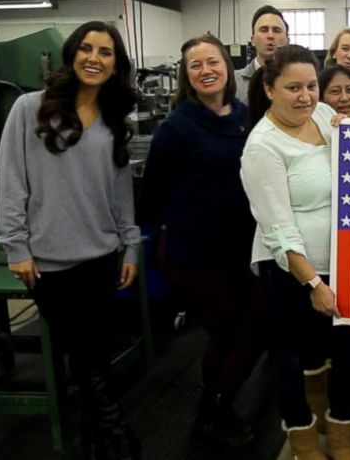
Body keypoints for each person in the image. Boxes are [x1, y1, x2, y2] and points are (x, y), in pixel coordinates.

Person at [0, 21, 142, 459]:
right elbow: (11, 180)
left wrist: (130, 243)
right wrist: (15, 246)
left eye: (106, 52)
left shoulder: (117, 121)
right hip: (50, 263)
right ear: (72, 54)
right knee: (87, 358)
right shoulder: (30, 108)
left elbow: (119, 191)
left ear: (117, 64)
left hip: (100, 257)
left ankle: (99, 443)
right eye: (87, 48)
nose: (95, 58)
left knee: (92, 354)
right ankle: (120, 441)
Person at [138, 35, 266, 447]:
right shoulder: (177, 127)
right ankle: (210, 416)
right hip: (194, 255)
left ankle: (216, 406)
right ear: (186, 76)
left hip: (241, 250)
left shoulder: (245, 115)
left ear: (228, 67)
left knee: (254, 332)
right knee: (231, 334)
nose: (206, 70)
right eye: (196, 65)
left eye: (213, 62)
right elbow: (151, 195)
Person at [242, 44, 350, 460]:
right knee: (292, 360)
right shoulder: (262, 147)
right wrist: (313, 282)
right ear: (269, 88)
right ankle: (303, 438)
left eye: (312, 86)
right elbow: (279, 229)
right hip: (291, 273)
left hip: (347, 261)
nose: (305, 96)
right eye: (293, 87)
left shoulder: (324, 118)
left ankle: (344, 433)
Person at [236, 5, 289, 102]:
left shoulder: (301, 83)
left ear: (287, 40)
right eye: (264, 30)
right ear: (252, 40)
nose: (270, 36)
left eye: (276, 30)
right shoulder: (233, 83)